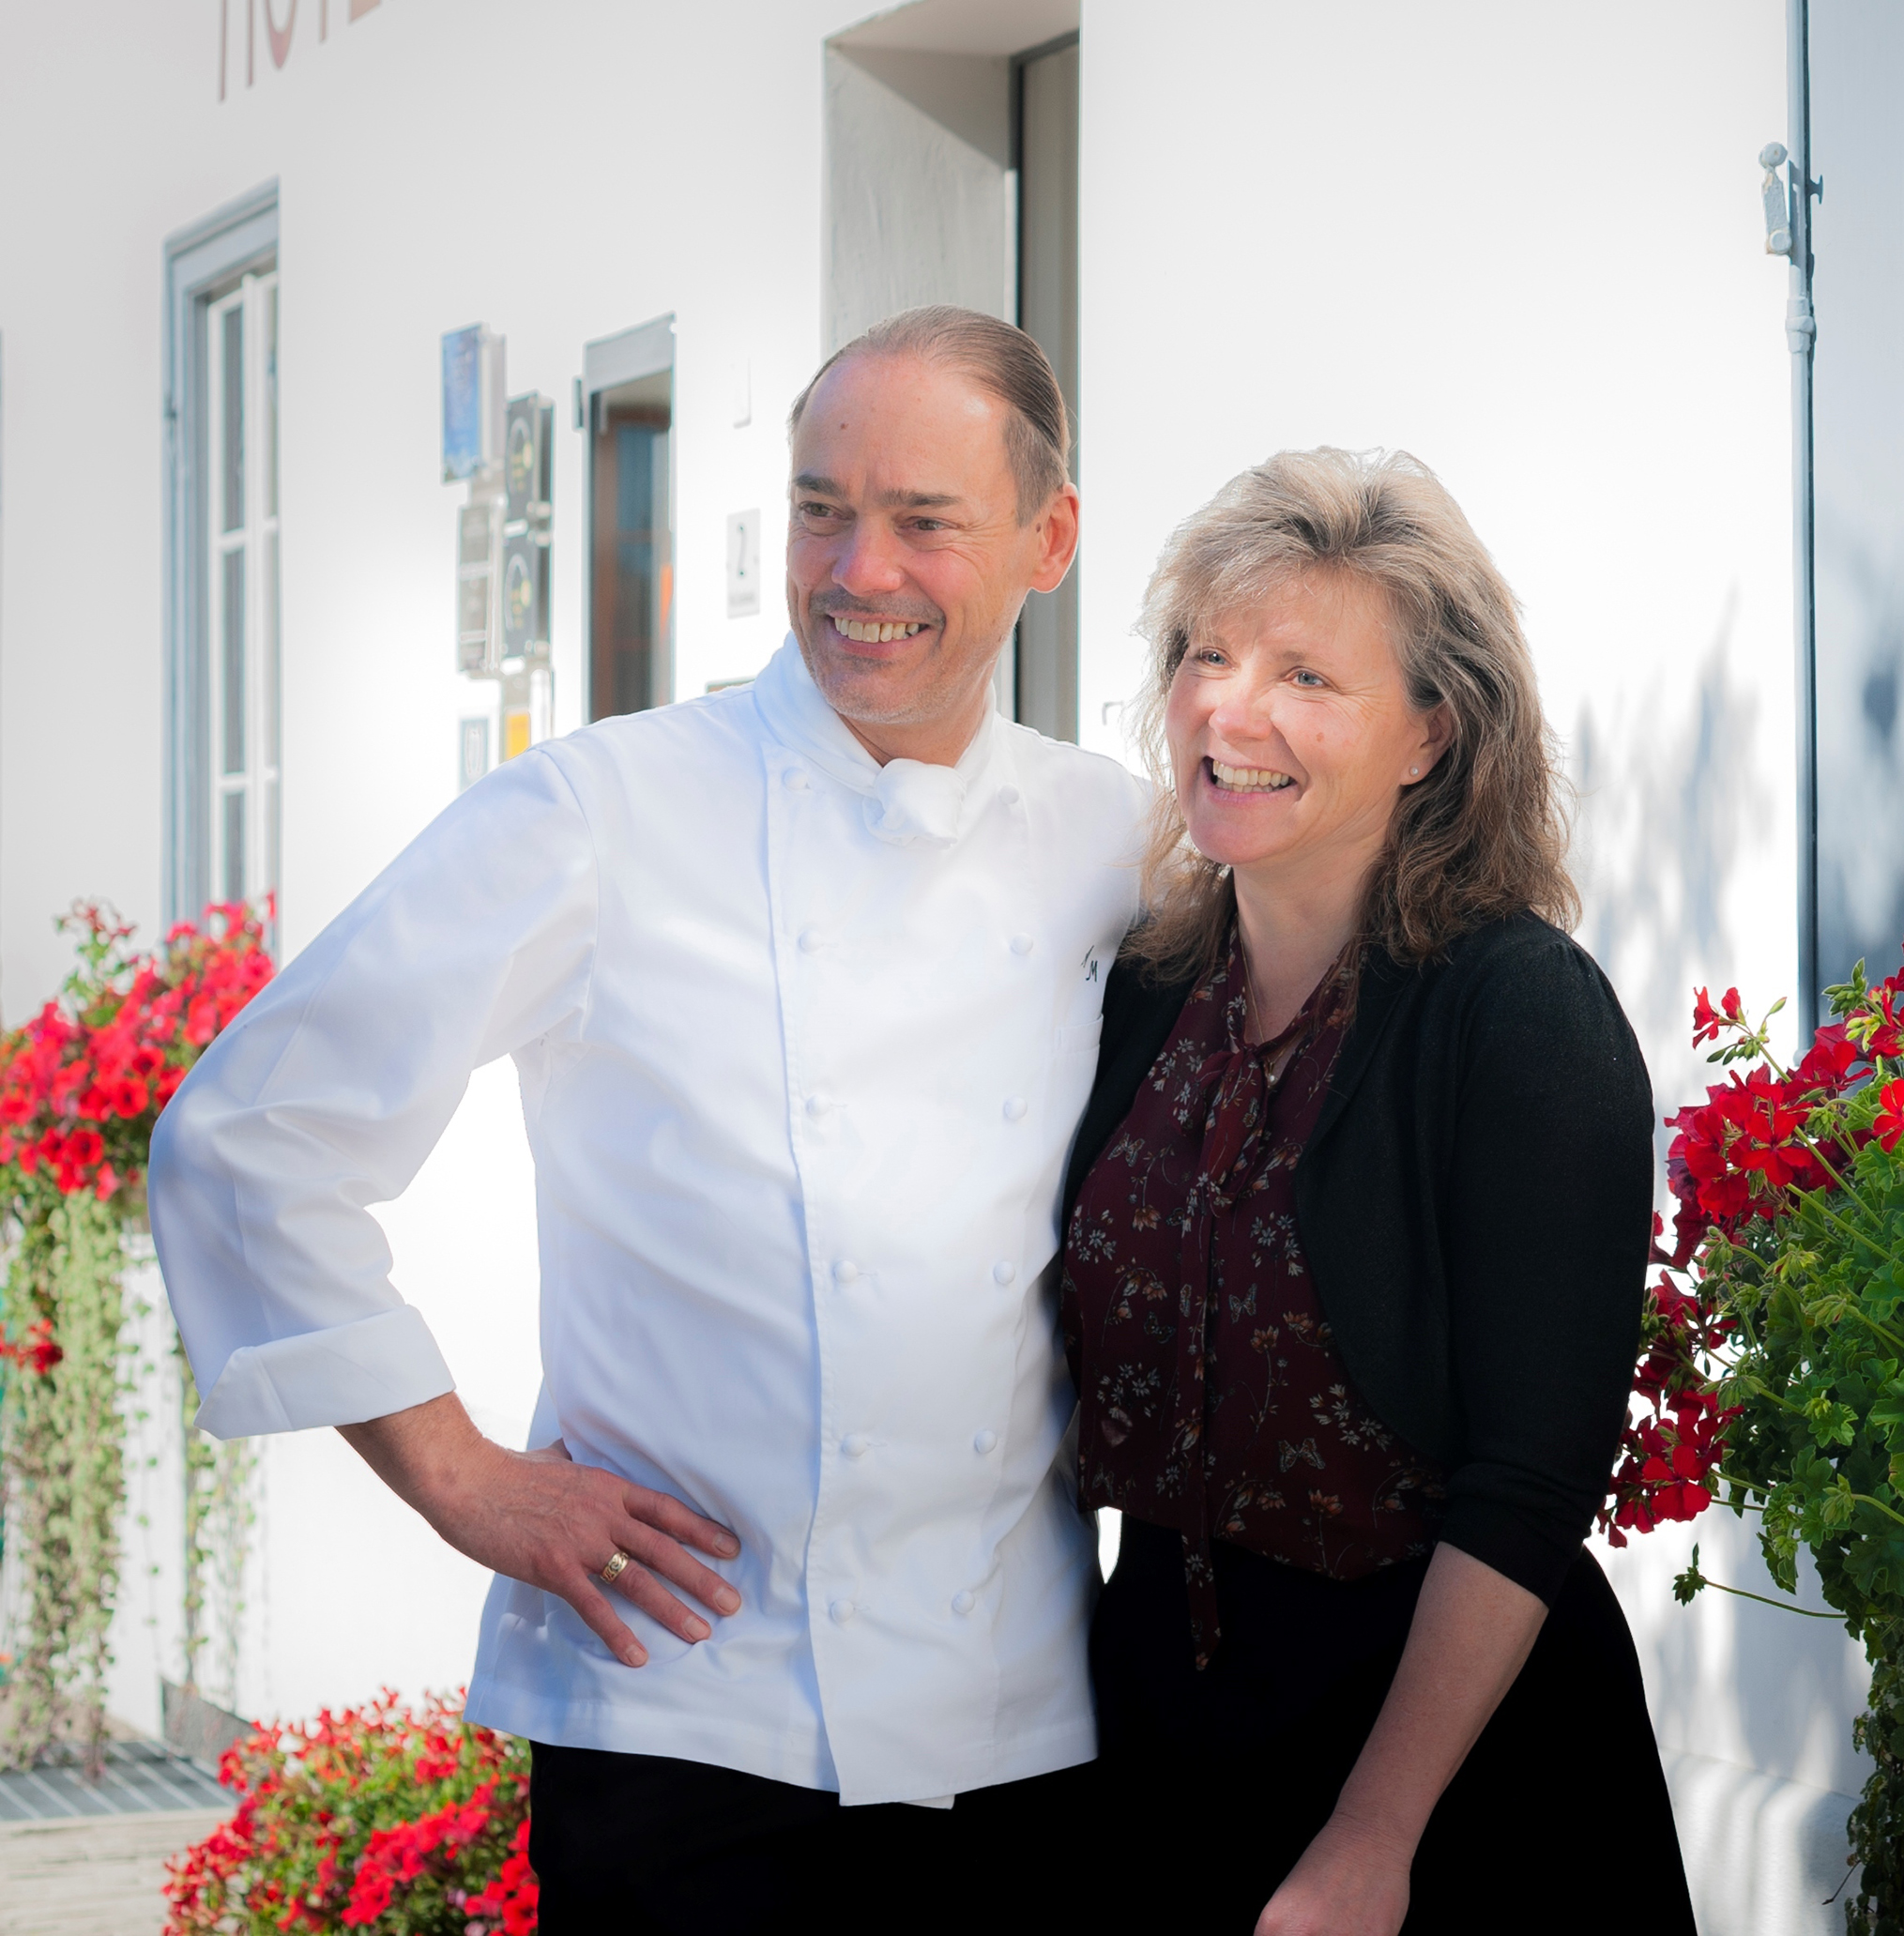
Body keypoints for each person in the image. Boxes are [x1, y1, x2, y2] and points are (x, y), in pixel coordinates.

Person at [148, 306, 1139, 1930]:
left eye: (922, 521)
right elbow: (249, 1136)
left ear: (1049, 538)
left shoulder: (1114, 837)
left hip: (1016, 1719)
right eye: (822, 506)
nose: (854, 569)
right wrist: (463, 1474)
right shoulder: (599, 811)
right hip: (682, 1715)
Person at [1061, 447, 1697, 1934]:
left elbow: (1531, 1478)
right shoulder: (1142, 989)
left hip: (1449, 1782)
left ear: (1430, 732)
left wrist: (1370, 1838)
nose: (1232, 710)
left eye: (1305, 676)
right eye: (1206, 656)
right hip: (1155, 1738)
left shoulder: (1515, 1013)